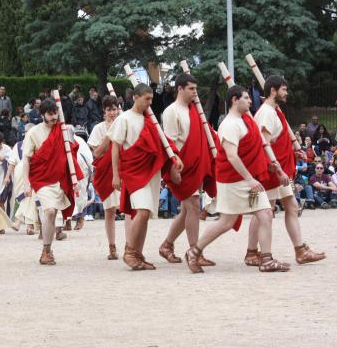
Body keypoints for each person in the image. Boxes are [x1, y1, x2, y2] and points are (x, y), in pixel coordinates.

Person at [185, 85, 290, 273]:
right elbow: (232, 156)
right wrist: (250, 179)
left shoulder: (245, 121)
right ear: (235, 100)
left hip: (242, 179)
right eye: (247, 98)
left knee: (263, 214)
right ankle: (194, 251)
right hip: (234, 181)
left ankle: (266, 259)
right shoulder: (229, 124)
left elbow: (255, 148)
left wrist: (268, 165)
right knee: (227, 222)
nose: (251, 101)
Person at [248, 76, 325, 267]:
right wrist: (276, 168)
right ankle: (252, 253)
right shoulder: (266, 112)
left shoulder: (272, 111)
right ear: (273, 91)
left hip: (280, 168)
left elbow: (275, 142)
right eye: (283, 89)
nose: (286, 93)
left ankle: (300, 250)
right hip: (273, 171)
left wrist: (291, 153)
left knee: (290, 206)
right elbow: (264, 144)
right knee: (264, 211)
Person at [108, 84, 182, 270]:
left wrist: (174, 157)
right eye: (147, 99)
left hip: (150, 171)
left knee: (146, 213)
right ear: (136, 97)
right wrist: (115, 175)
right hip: (133, 171)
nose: (150, 102)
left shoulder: (151, 120)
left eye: (151, 99)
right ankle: (130, 251)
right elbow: (115, 147)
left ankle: (138, 255)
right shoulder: (123, 118)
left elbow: (163, 143)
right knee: (141, 211)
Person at [159, 73, 218, 268]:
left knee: (186, 211)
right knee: (193, 206)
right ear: (180, 89)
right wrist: (174, 168)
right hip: (181, 166)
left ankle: (167, 245)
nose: (195, 93)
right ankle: (195, 251)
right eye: (191, 89)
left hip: (195, 164)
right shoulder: (171, 111)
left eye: (196, 89)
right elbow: (170, 143)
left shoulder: (196, 110)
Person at [23, 99, 84, 265]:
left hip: (60, 178)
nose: (54, 117)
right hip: (42, 179)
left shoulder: (63, 130)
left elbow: (71, 155)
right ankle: (46, 250)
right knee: (49, 211)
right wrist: (26, 183)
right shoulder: (33, 133)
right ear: (42, 114)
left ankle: (47, 250)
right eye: (50, 114)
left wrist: (73, 179)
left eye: (55, 113)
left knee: (54, 213)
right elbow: (27, 159)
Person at [88, 95, 122, 260]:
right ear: (104, 111)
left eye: (114, 109)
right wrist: (109, 135)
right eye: (109, 110)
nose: (112, 113)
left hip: (123, 170)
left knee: (130, 209)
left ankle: (132, 245)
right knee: (110, 210)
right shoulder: (98, 129)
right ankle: (112, 246)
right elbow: (97, 153)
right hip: (106, 172)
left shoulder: (124, 124)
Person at [6, 124, 38, 235]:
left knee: (30, 198)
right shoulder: (18, 145)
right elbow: (11, 162)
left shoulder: (38, 144)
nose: (27, 133)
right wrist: (7, 176)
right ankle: (25, 223)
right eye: (26, 131)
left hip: (34, 172)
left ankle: (22, 223)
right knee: (26, 198)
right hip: (20, 175)